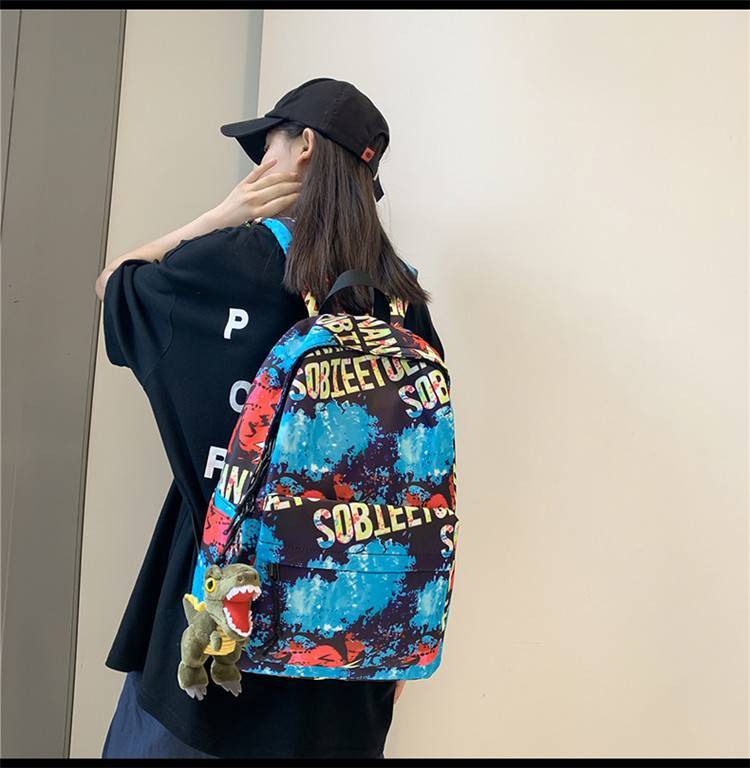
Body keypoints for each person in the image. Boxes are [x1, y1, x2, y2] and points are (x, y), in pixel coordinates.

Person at [96, 77, 445, 759]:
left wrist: (214, 219)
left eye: (269, 147)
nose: (261, 165)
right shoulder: (404, 302)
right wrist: (401, 638)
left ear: (306, 146)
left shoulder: (234, 259)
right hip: (353, 645)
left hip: (216, 634)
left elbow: (114, 285)